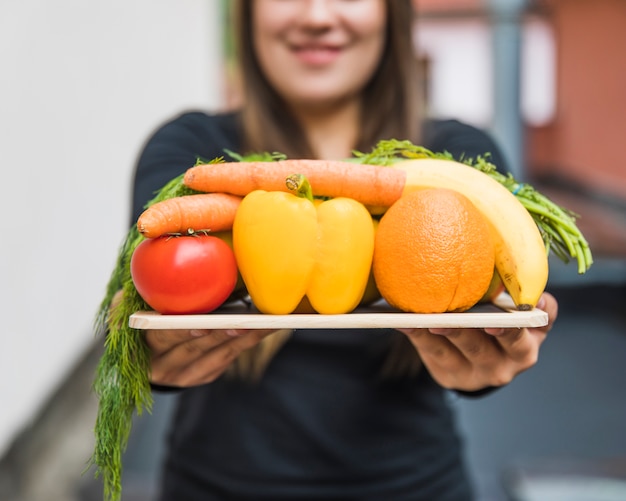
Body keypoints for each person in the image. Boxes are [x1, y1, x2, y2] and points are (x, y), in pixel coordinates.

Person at [130, 1, 559, 499]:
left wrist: (485, 366)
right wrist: (148, 359)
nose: (316, 15)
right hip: (217, 488)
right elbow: (148, 302)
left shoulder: (460, 159)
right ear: (246, 13)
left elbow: (491, 312)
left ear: (391, 13)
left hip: (415, 488)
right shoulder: (189, 154)